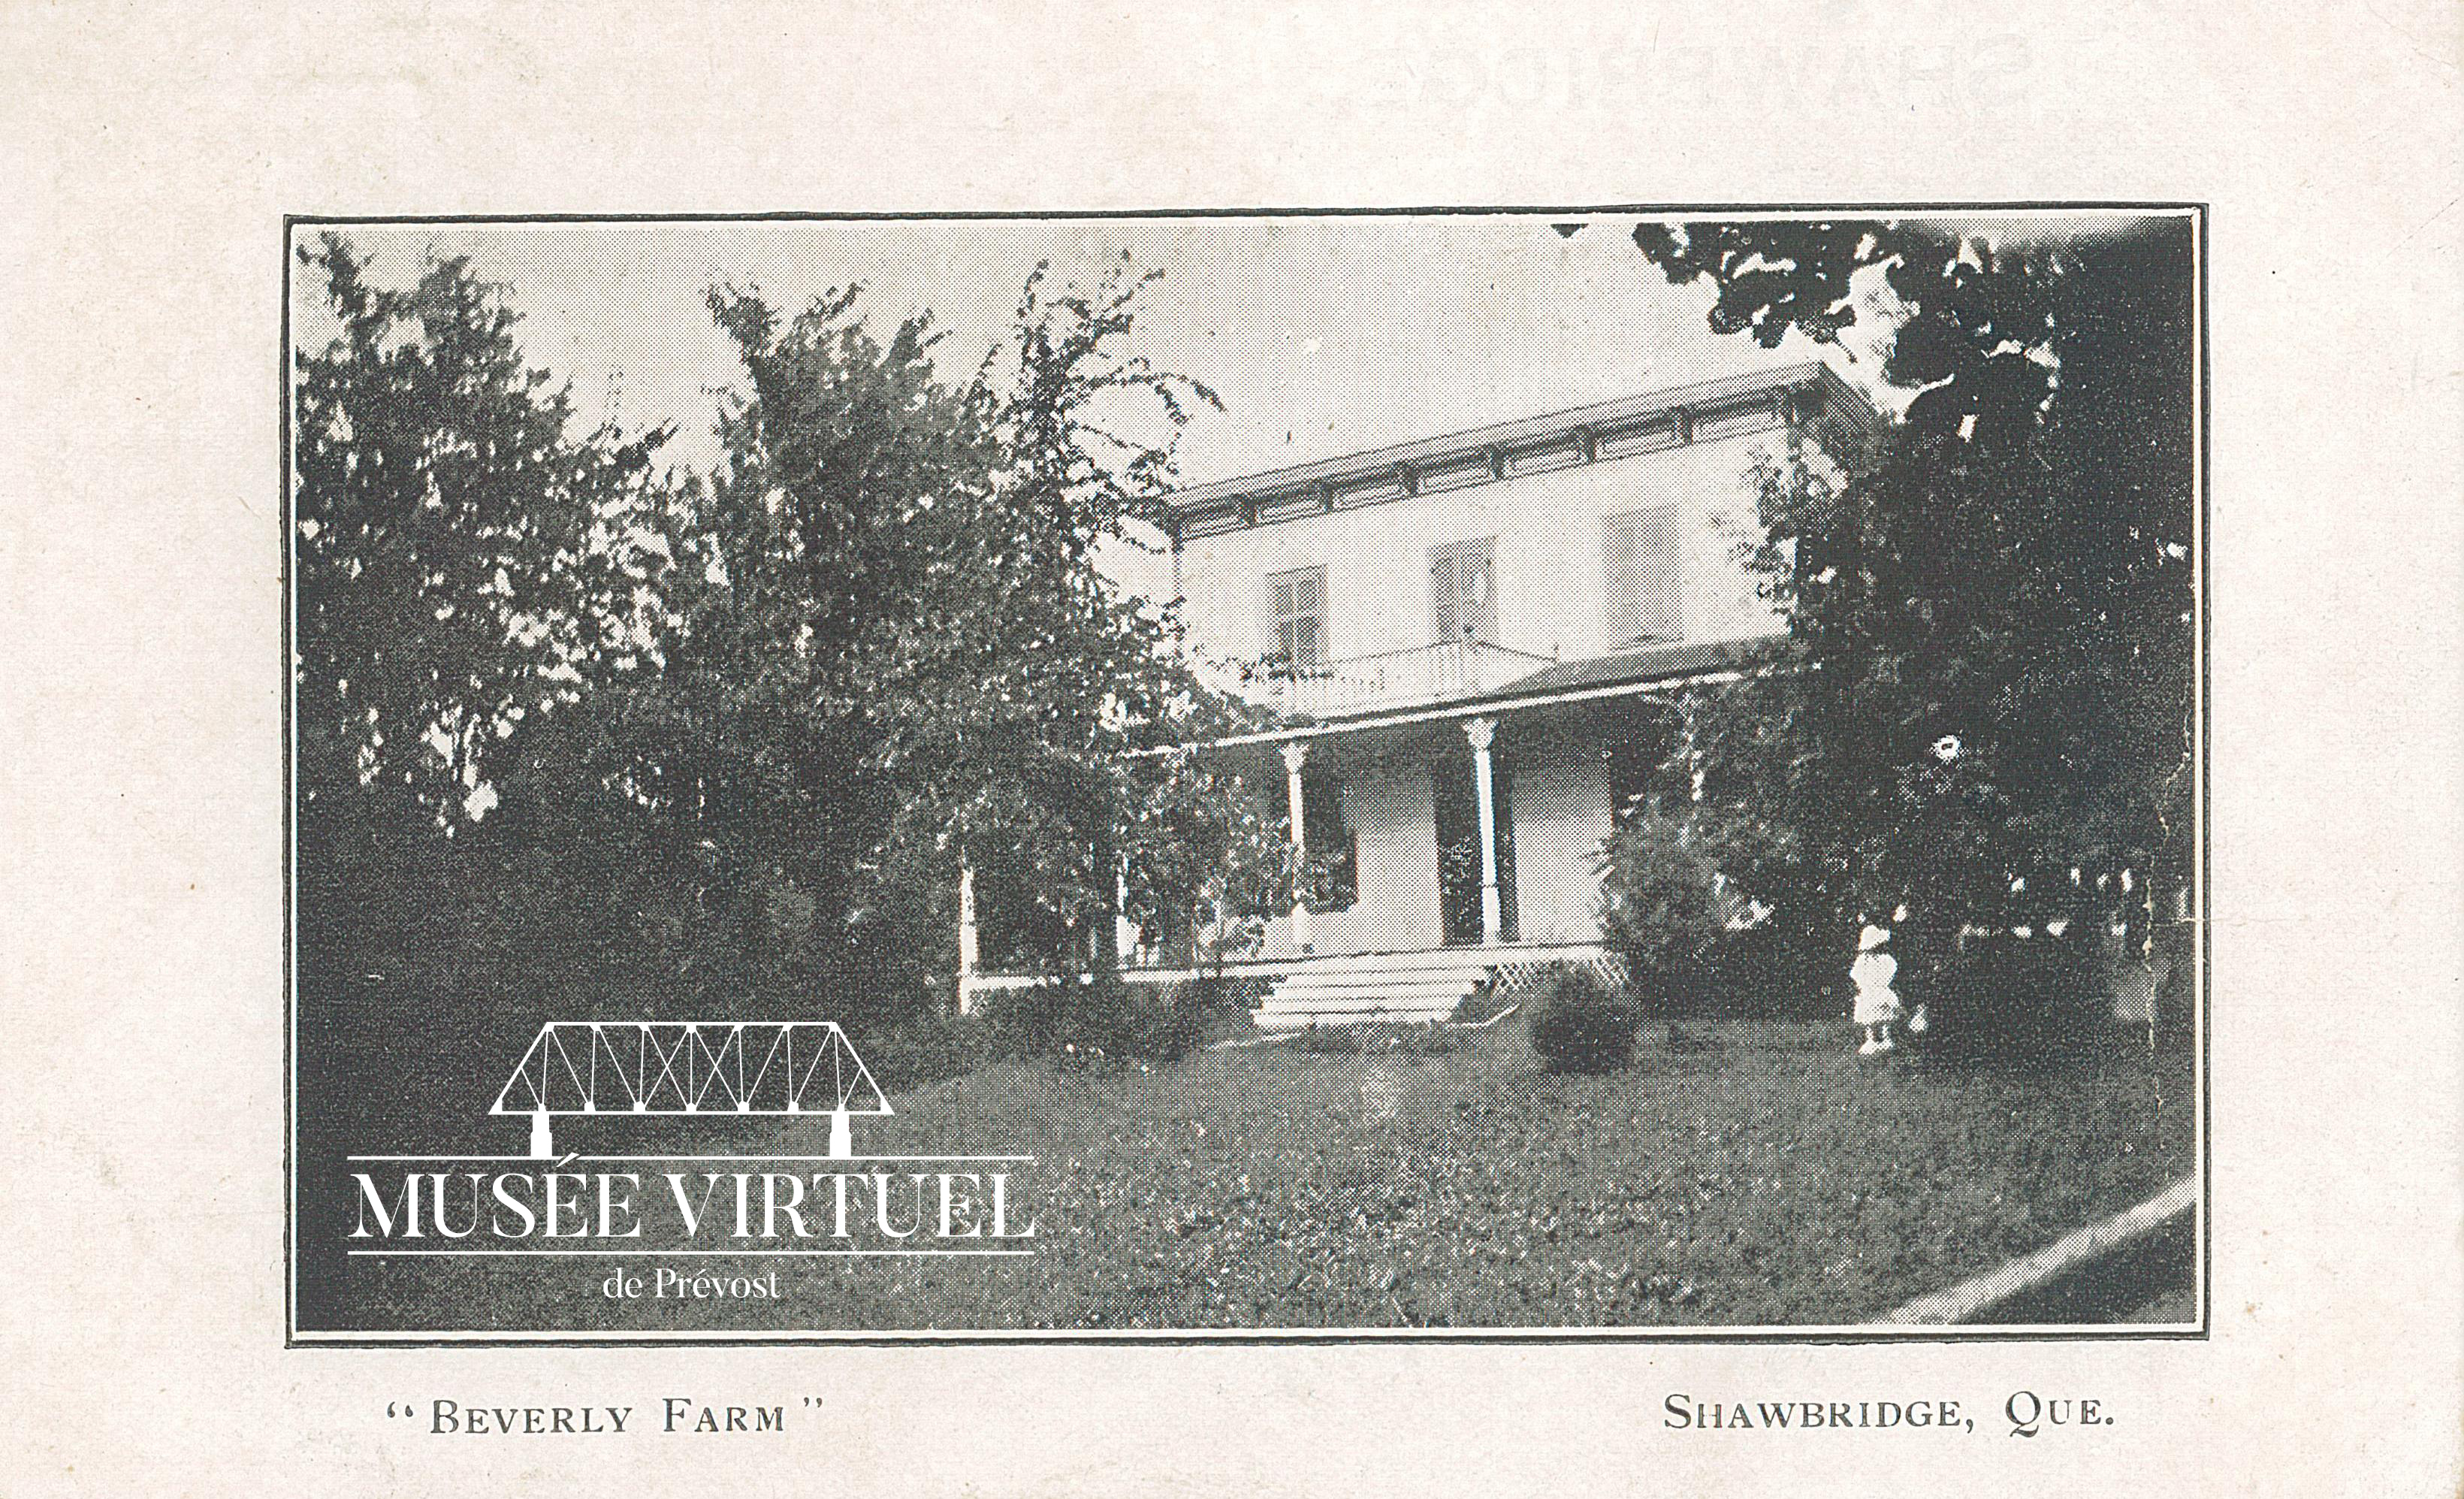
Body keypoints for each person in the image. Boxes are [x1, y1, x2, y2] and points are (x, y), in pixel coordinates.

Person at [1851, 921, 1904, 1056]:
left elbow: (1891, 972)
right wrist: (1863, 986)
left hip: (1881, 991)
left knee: (1885, 1016)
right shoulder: (1863, 961)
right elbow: (1856, 975)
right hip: (1869, 992)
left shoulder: (1886, 959)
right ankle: (1870, 1039)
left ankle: (1886, 1038)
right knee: (1869, 1018)